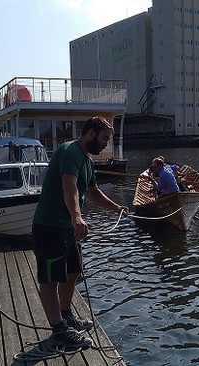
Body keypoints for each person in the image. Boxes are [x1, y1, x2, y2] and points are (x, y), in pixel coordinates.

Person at [32, 116, 129, 348]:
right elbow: (70, 186)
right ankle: (58, 330)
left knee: (73, 270)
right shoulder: (70, 152)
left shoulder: (85, 159)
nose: (107, 143)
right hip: (50, 225)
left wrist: (116, 207)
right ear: (91, 133)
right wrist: (77, 216)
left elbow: (92, 191)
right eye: (104, 138)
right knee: (50, 278)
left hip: (67, 227)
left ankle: (65, 314)